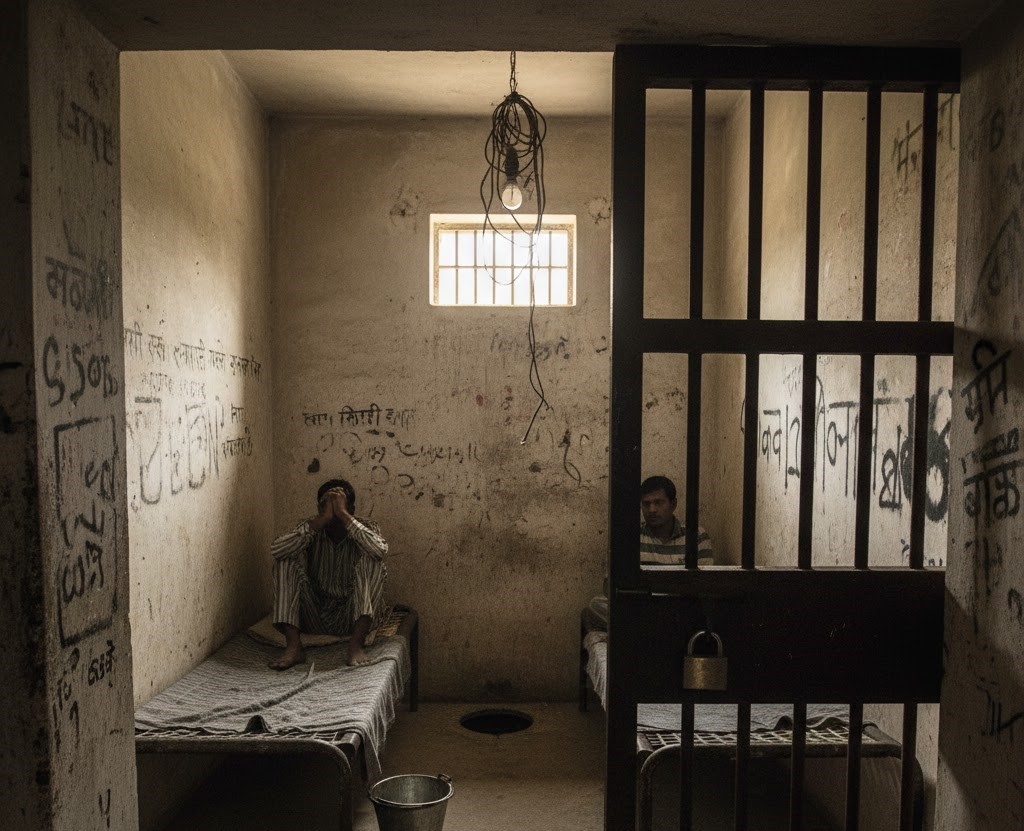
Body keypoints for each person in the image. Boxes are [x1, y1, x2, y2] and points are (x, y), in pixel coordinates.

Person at [268, 477, 389, 670]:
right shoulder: (311, 527)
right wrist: (323, 519)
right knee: (285, 558)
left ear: (352, 509)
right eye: (327, 505)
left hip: (351, 616)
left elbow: (379, 550)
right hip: (315, 614)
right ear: (320, 508)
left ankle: (356, 644)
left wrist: (343, 515)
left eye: (338, 505)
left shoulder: (366, 527)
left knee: (372, 559)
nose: (333, 511)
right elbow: (277, 550)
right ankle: (293, 647)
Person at [586, 475, 713, 629]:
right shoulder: (629, 536)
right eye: (646, 504)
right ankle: (656, 628)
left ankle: (644, 629)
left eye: (658, 503)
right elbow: (610, 587)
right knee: (596, 605)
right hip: (642, 608)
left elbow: (706, 585)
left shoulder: (696, 535)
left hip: (679, 609)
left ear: (673, 504)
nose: (652, 510)